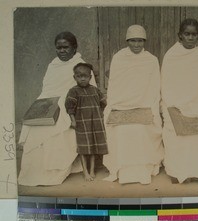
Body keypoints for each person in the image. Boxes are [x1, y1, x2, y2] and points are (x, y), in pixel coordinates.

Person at [18, 31, 97, 186]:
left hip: (69, 106)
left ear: (74, 48)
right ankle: (33, 173)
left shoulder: (80, 65)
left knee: (54, 129)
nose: (61, 51)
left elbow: (89, 90)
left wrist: (64, 102)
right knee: (34, 128)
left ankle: (53, 173)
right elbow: (47, 89)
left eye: (65, 47)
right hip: (48, 104)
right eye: (58, 48)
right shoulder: (53, 65)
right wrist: (42, 104)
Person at [103, 25, 164, 184]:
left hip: (144, 105)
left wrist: (149, 108)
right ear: (127, 41)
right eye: (133, 41)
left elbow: (154, 87)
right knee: (120, 129)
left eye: (140, 41)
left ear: (144, 41)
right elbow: (115, 85)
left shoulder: (151, 60)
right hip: (121, 105)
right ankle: (122, 170)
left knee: (141, 128)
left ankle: (143, 171)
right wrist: (115, 106)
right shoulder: (119, 58)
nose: (136, 45)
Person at [161, 18, 198, 184]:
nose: (190, 38)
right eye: (187, 34)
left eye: (194, 34)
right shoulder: (171, 56)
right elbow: (166, 84)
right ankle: (178, 172)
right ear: (180, 35)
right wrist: (176, 107)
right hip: (176, 105)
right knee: (176, 132)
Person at [65, 63, 108, 181]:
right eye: (79, 76)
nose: (83, 78)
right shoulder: (73, 91)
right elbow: (69, 107)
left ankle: (92, 170)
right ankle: (85, 172)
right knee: (84, 148)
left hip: (95, 123)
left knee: (93, 147)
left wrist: (100, 114)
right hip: (82, 123)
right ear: (75, 77)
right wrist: (73, 120)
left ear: (90, 77)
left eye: (85, 76)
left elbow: (104, 102)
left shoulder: (95, 90)